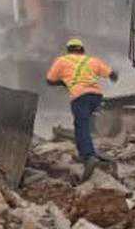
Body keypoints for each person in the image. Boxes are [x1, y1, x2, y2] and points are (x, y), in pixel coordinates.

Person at [45, 38, 117, 181]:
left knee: (80, 126)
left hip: (80, 97)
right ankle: (89, 151)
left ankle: (88, 156)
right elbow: (112, 74)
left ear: (68, 50)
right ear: (82, 50)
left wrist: (64, 82)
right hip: (96, 96)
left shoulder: (62, 60)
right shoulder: (92, 61)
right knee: (87, 124)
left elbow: (49, 80)